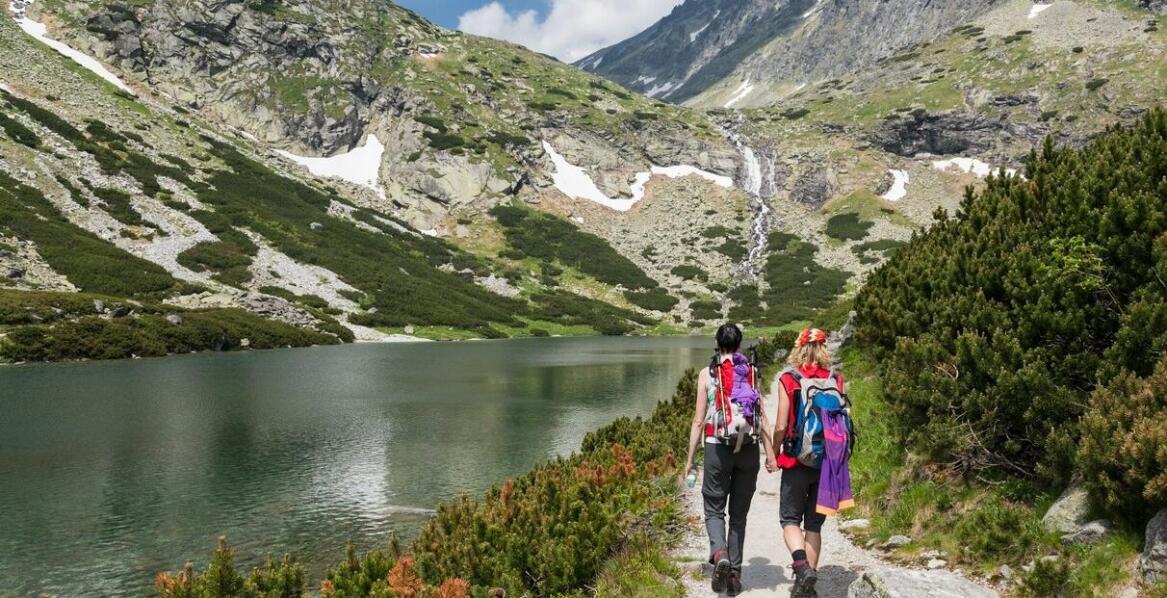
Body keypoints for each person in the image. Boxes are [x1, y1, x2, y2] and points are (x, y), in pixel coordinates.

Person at [683, 323, 778, 596]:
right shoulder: (751, 371)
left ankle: (719, 552)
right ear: (739, 344)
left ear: (717, 343)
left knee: (714, 507)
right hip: (748, 449)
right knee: (739, 515)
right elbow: (761, 416)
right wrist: (771, 454)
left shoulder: (707, 374)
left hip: (717, 447)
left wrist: (690, 460)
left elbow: (699, 420)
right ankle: (734, 577)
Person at [773, 328, 849, 598]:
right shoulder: (836, 379)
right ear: (824, 348)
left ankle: (802, 567)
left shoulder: (789, 379)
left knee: (790, 519)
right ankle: (808, 584)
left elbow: (781, 424)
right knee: (814, 526)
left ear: (800, 349)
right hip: (829, 463)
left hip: (797, 460)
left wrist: (773, 452)